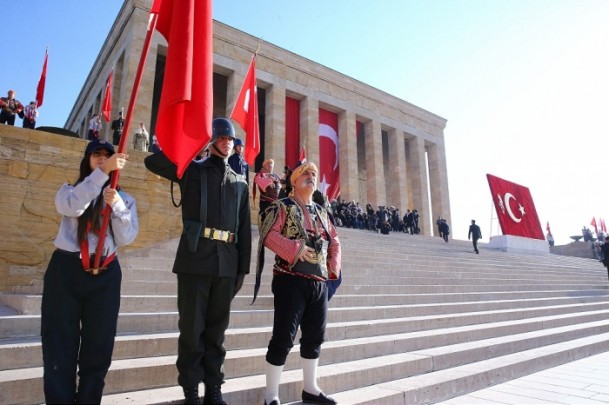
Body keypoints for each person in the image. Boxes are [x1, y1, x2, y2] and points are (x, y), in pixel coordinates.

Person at [144, 117, 251, 405]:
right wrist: (190, 148)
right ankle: (191, 389)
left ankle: (213, 389)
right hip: (195, 260)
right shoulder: (191, 171)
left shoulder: (239, 183)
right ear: (211, 141)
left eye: (230, 139)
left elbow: (243, 228)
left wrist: (242, 268)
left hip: (226, 263)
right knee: (192, 330)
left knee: (217, 333)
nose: (227, 142)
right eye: (221, 137)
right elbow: (153, 162)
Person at [41, 139, 137, 404]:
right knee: (59, 345)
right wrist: (101, 176)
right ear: (87, 160)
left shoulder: (125, 198)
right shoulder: (70, 190)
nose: (103, 158)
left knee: (99, 346)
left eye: (108, 155)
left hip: (105, 275)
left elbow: (126, 236)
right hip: (66, 271)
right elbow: (72, 207)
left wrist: (116, 205)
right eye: (97, 155)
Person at [255, 161, 341, 405]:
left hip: (319, 281)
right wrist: (294, 248)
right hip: (290, 280)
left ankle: (310, 388)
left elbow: (334, 240)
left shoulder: (322, 212)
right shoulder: (282, 206)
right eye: (306, 174)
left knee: (315, 336)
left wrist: (333, 267)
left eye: (314, 174)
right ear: (293, 181)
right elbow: (268, 235)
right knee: (283, 337)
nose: (311, 177)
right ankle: (271, 395)